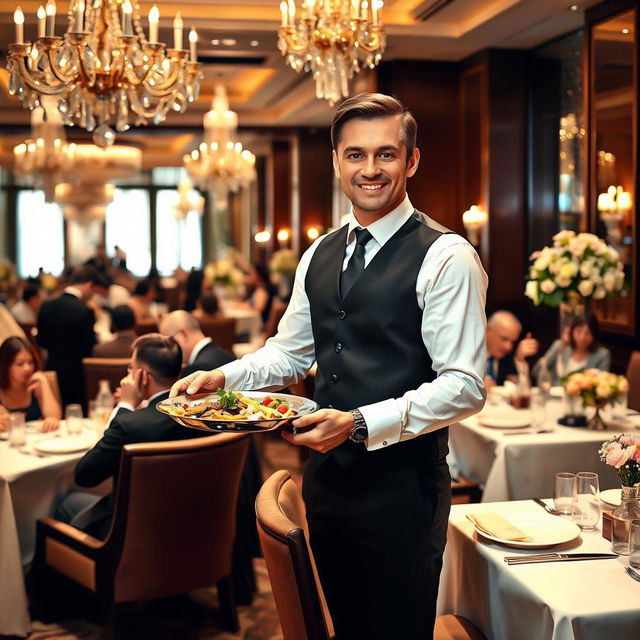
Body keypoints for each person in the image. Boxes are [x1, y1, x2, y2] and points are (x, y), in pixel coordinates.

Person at [171, 93, 487, 639]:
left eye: (386, 154)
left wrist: (360, 422)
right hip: (328, 483)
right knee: (346, 625)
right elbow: (290, 351)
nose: (370, 169)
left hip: (403, 491)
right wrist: (224, 376)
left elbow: (464, 387)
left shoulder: (447, 255)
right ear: (337, 161)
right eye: (356, 154)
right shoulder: (319, 252)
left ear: (411, 161)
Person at [56, 334, 204, 539]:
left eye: (131, 368)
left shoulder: (130, 425)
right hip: (191, 524)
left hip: (132, 533)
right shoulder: (201, 415)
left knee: (65, 504)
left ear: (143, 377)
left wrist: (125, 405)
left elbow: (84, 476)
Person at [37, 265, 99, 408]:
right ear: (90, 285)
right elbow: (88, 347)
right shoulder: (85, 311)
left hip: (51, 370)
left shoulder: (46, 305)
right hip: (76, 375)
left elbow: (41, 341)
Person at [0, 336, 61, 433]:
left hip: (37, 442)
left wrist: (44, 383)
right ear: (5, 365)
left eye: (30, 362)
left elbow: (55, 418)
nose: (27, 368)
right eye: (20, 364)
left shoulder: (36, 385)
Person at [533, 313, 611, 385]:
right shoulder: (561, 346)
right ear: (572, 331)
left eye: (588, 333)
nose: (582, 338)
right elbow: (536, 372)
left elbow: (603, 384)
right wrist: (560, 346)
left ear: (594, 335)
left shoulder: (602, 354)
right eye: (578, 331)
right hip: (556, 397)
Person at [159, 310, 235, 376]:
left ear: (183, 334)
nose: (168, 349)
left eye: (169, 342)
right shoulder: (228, 355)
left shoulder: (196, 370)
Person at [485, 310, 539, 387]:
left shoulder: (508, 358)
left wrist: (520, 360)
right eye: (504, 339)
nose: (508, 347)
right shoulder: (470, 354)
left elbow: (523, 391)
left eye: (512, 342)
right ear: (488, 331)